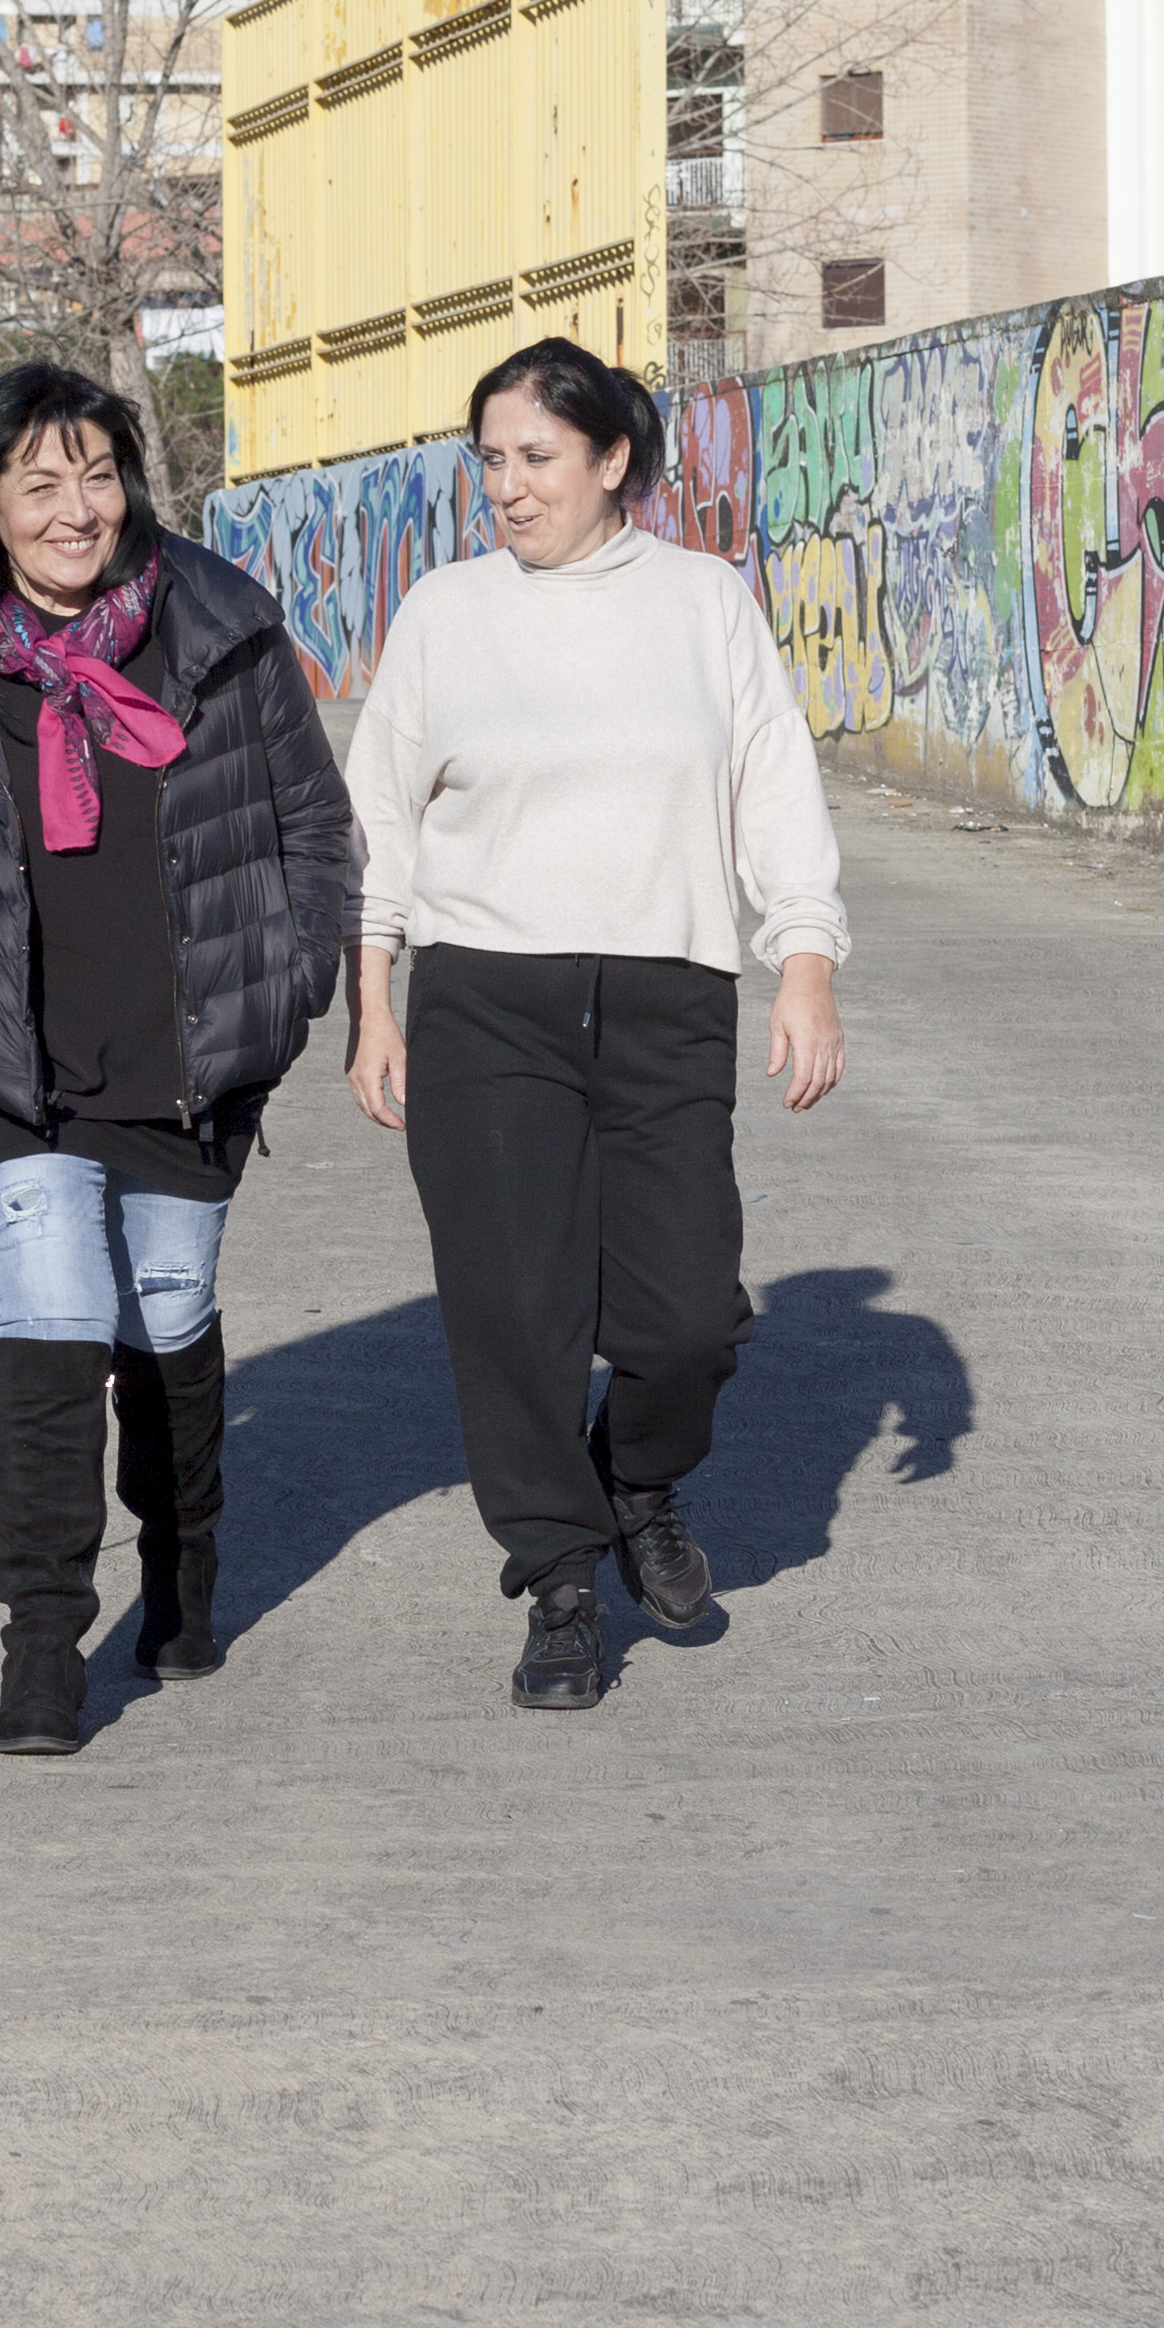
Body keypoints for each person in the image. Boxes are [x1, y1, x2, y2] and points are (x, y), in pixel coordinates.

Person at [0, 364, 357, 1758]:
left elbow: (314, 829)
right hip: (13, 1068)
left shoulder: (222, 627)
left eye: (99, 477)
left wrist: (289, 986)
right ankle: (43, 1647)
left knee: (165, 1322)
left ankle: (182, 1563)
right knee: (49, 1325)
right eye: (40, 484)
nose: (76, 510)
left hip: (189, 1053)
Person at [345, 338, 847, 1712]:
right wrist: (372, 998)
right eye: (491, 461)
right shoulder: (447, 612)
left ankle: (638, 1478)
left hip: (666, 994)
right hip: (482, 995)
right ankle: (561, 1583)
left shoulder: (703, 601)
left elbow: (772, 783)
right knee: (516, 1309)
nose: (508, 487)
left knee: (688, 1319)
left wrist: (805, 959)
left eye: (537, 458)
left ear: (613, 459)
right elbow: (378, 818)